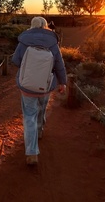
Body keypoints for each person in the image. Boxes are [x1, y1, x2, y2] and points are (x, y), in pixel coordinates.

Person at [12, 16, 67, 165]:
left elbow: (16, 60)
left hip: (27, 86)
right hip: (46, 86)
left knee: (29, 116)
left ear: (32, 25)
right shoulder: (53, 42)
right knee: (41, 109)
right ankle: (40, 130)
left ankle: (31, 153)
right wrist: (63, 82)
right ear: (45, 25)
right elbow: (59, 65)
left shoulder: (24, 41)